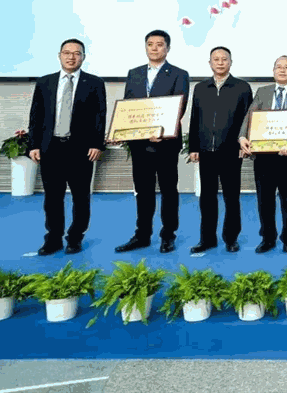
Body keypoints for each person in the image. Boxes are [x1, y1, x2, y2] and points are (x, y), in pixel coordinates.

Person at [28, 38, 106, 255]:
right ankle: (53, 239)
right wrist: (34, 145)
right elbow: (36, 116)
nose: (71, 57)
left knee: (81, 197)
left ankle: (75, 237)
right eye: (67, 53)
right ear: (59, 55)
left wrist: (97, 144)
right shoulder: (45, 82)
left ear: (83, 57)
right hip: (51, 148)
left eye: (77, 53)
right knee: (52, 198)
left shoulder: (94, 83)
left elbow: (100, 116)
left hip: (81, 150)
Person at [115, 30, 190, 254]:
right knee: (143, 191)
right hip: (139, 144)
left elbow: (179, 106)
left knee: (168, 191)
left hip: (165, 143)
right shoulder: (134, 73)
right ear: (145, 47)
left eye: (159, 44)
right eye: (150, 44)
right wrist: (123, 130)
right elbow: (129, 106)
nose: (154, 48)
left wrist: (162, 131)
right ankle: (142, 235)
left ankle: (168, 235)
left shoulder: (179, 74)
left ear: (168, 48)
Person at [239, 55, 287, 254]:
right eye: (279, 67)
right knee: (265, 200)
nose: (282, 70)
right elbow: (250, 116)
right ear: (273, 71)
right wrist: (242, 137)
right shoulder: (262, 91)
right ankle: (268, 238)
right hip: (264, 157)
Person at [187, 46, 252, 254]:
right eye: (216, 59)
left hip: (231, 151)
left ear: (230, 62)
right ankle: (207, 239)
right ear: (210, 63)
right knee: (207, 198)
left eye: (224, 59)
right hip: (206, 151)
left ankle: (231, 238)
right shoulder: (200, 88)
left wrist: (245, 144)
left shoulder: (242, 87)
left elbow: (248, 119)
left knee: (231, 198)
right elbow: (195, 118)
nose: (220, 62)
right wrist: (193, 147)